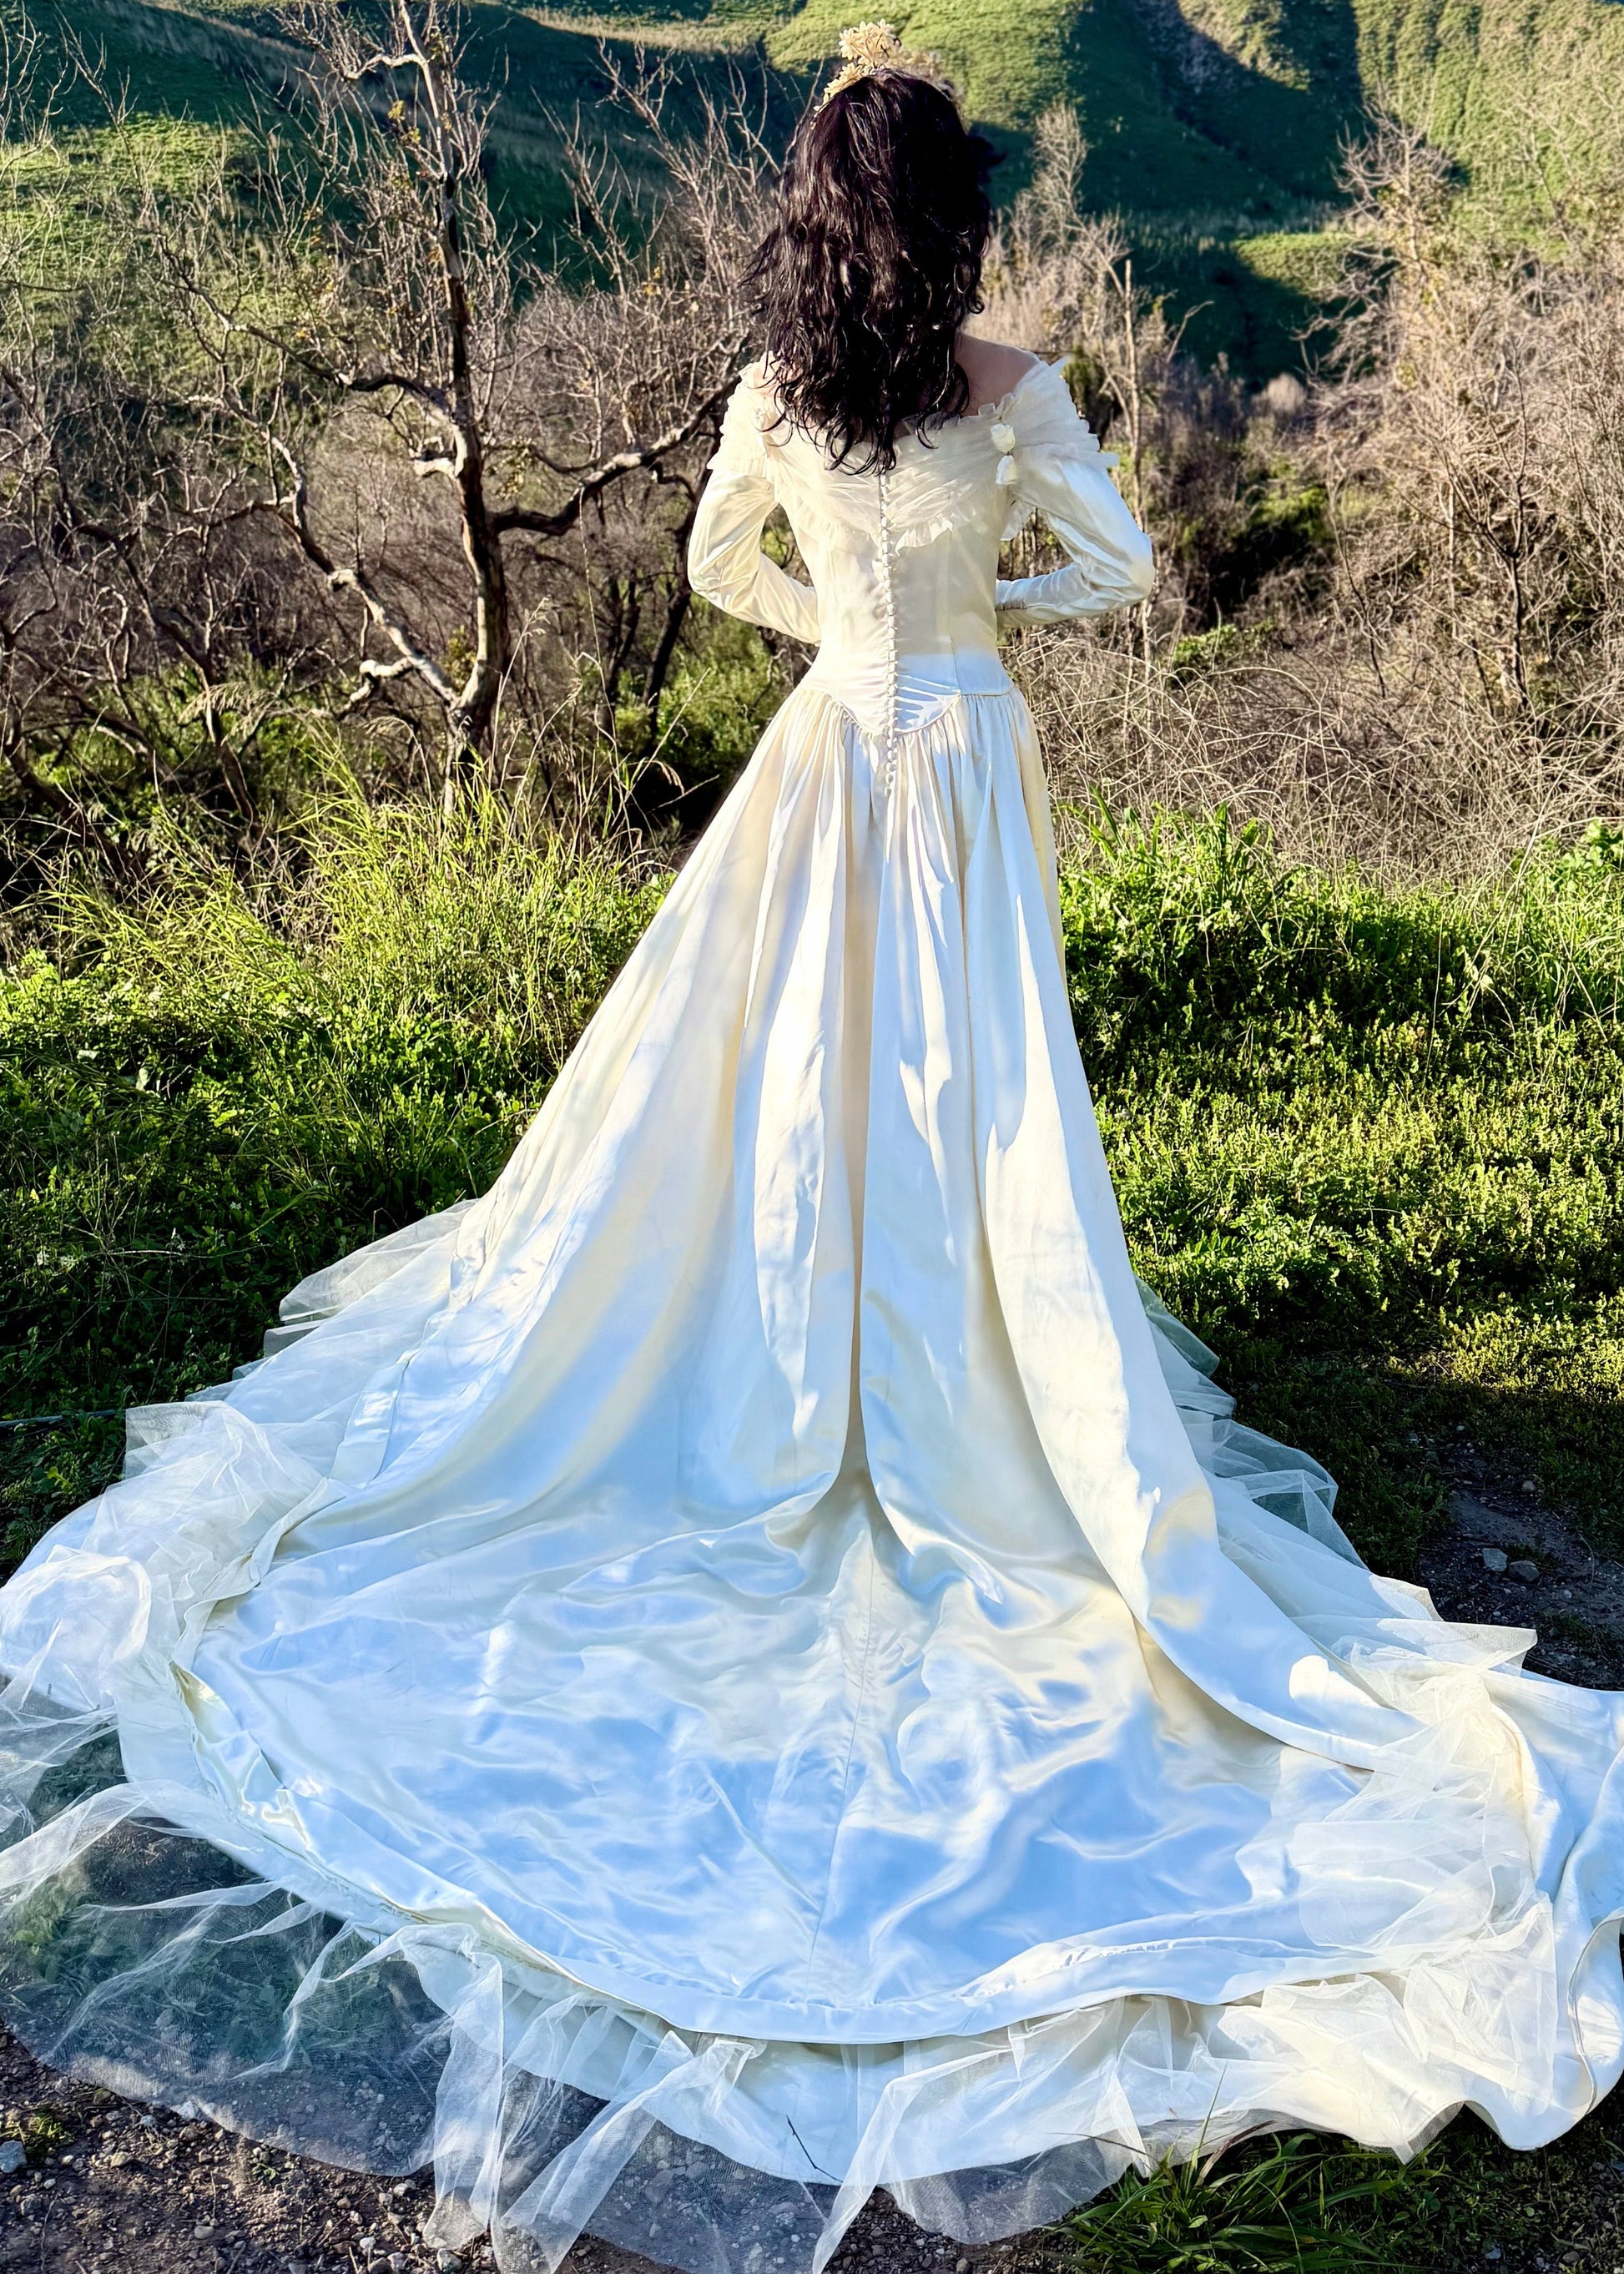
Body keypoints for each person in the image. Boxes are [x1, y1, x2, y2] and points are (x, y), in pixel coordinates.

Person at [1, 24, 1621, 2274]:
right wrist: (978, 623)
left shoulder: (784, 390)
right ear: (952, 216)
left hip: (827, 744)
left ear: (811, 215)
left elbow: (716, 563)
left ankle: (788, 1347)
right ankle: (968, 1361)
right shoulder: (1013, 383)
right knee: (966, 1093)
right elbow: (1122, 571)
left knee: (768, 1090)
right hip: (952, 757)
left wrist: (849, 631)